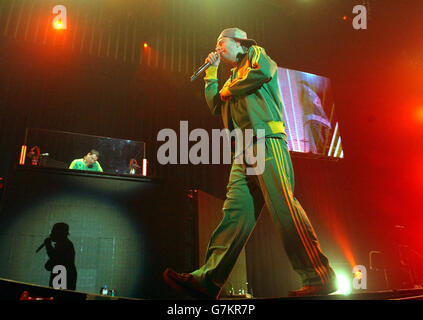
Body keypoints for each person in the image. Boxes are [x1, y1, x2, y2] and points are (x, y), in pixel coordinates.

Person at [163, 28, 337, 298]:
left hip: (266, 140)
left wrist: (228, 89)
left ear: (239, 43)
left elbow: (264, 71)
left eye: (222, 43)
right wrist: (212, 74)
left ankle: (319, 276)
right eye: (217, 45)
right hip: (243, 151)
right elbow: (216, 105)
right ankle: (207, 281)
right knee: (235, 216)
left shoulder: (256, 55)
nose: (218, 47)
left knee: (283, 207)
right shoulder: (232, 76)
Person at [44, 223, 77, 290]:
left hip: (62, 277)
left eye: (53, 232)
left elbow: (55, 257)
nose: (51, 234)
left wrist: (48, 245)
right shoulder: (65, 244)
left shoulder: (65, 244)